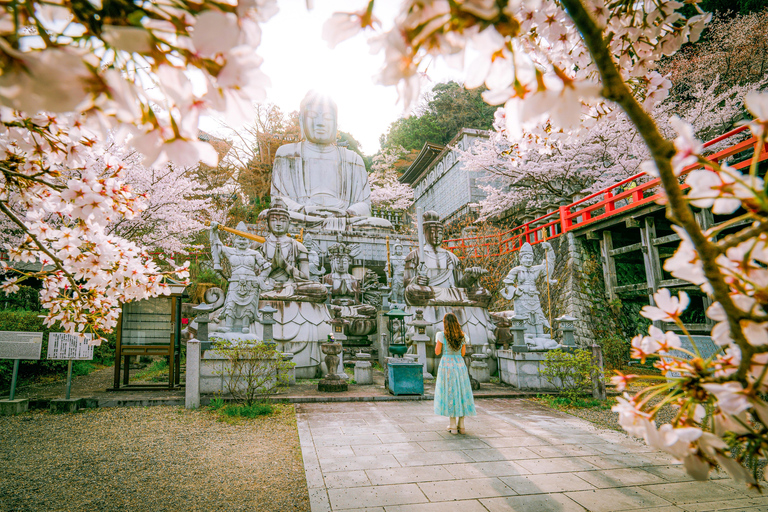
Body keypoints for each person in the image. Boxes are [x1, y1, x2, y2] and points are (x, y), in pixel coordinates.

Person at [270, 90, 392, 231]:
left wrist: (347, 214)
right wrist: (303, 210)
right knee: (270, 216)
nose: (321, 123)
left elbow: (365, 205)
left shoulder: (353, 159)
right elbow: (278, 199)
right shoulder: (287, 154)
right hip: (304, 216)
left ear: (336, 123)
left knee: (382, 225)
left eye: (327, 118)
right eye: (313, 116)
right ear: (302, 120)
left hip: (345, 218)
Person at [433, 312, 476, 434]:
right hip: (459, 365)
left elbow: (437, 352)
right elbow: (463, 353)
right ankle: (461, 425)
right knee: (462, 391)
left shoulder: (441, 335)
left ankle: (452, 425)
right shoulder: (462, 336)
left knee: (450, 392)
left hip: (447, 365)